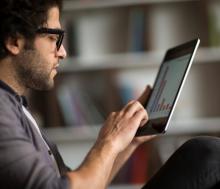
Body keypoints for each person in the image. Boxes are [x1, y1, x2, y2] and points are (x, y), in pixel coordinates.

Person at [0, 0, 220, 189]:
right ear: (14, 41)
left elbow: (88, 184)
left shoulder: (17, 106)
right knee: (206, 154)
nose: (63, 52)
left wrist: (130, 141)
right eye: (53, 37)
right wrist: (109, 141)